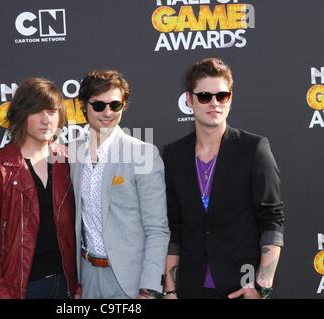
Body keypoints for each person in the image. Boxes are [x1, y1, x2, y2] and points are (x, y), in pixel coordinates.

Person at [163, 57, 285, 299]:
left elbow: (272, 219)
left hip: (241, 288)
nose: (214, 103)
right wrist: (170, 290)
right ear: (189, 100)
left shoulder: (254, 148)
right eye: (205, 96)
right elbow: (173, 228)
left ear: (230, 98)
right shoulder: (173, 154)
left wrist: (262, 285)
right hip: (190, 288)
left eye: (222, 96)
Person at [68, 70, 170, 299]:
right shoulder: (73, 152)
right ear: (83, 106)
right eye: (99, 105)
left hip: (130, 282)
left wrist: (149, 287)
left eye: (115, 105)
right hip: (87, 278)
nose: (108, 113)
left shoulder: (143, 153)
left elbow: (157, 228)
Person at [0, 77, 79, 299]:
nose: (46, 120)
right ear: (22, 115)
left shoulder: (68, 161)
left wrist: (78, 285)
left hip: (66, 285)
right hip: (23, 288)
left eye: (52, 111)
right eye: (37, 111)